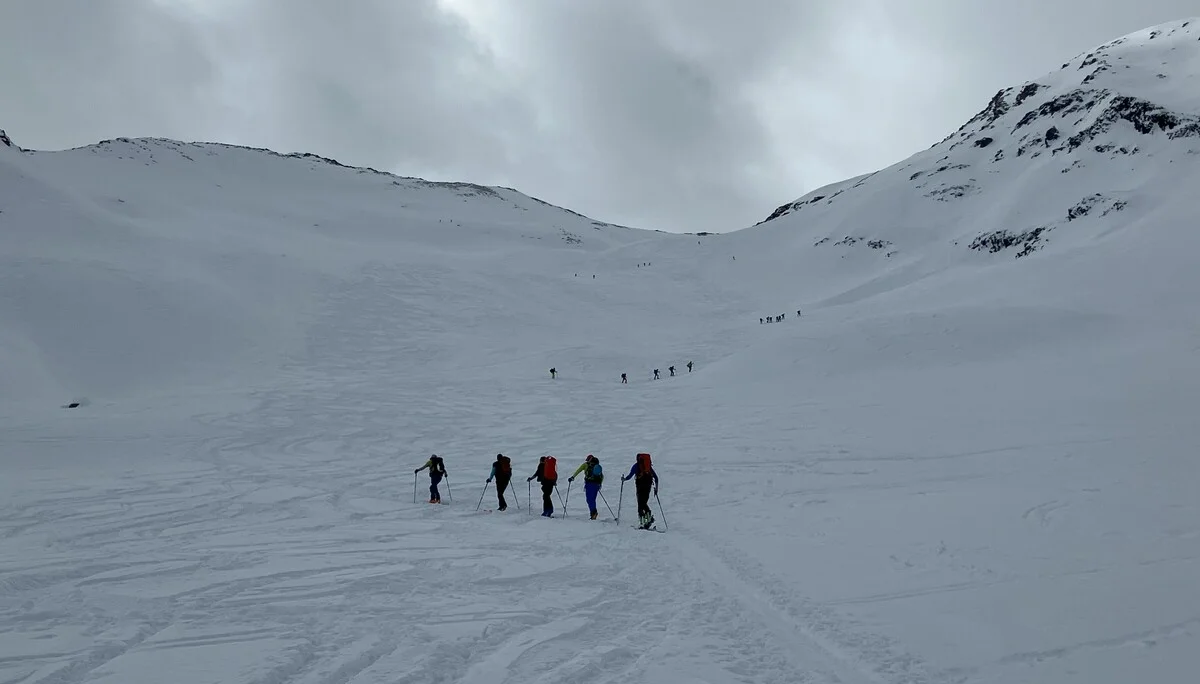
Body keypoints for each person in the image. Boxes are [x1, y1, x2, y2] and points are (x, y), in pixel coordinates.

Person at [622, 453, 659, 528]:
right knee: (644, 503)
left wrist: (624, 479)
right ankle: (648, 519)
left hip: (640, 487)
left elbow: (630, 476)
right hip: (648, 486)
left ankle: (644, 522)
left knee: (640, 504)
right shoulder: (648, 467)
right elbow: (656, 478)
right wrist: (656, 489)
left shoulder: (636, 466)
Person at [568, 455, 605, 520]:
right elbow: (602, 476)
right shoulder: (597, 466)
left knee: (589, 499)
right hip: (596, 484)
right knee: (592, 499)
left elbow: (578, 470)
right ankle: (593, 513)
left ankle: (593, 513)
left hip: (589, 484)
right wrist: (600, 484)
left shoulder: (586, 465)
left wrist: (573, 477)